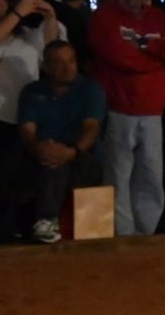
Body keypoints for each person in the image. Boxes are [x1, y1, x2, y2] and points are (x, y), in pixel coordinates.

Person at [89, 0, 165, 236]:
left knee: (150, 176)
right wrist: (157, 57)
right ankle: (123, 234)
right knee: (118, 176)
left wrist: (146, 46)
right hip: (118, 108)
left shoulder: (158, 17)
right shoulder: (105, 17)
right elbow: (120, 57)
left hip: (153, 110)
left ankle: (145, 233)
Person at [0, 0, 63, 236]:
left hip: (23, 118)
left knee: (17, 183)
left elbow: (49, 54)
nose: (2, 3)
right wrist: (18, 12)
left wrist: (49, 17)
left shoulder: (23, 35)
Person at [17, 41, 105, 243]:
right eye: (59, 63)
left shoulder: (90, 89)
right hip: (42, 153)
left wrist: (70, 152)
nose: (68, 68)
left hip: (80, 157)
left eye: (71, 61)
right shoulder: (32, 92)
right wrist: (40, 149)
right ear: (46, 66)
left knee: (56, 166)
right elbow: (27, 130)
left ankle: (47, 220)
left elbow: (91, 128)